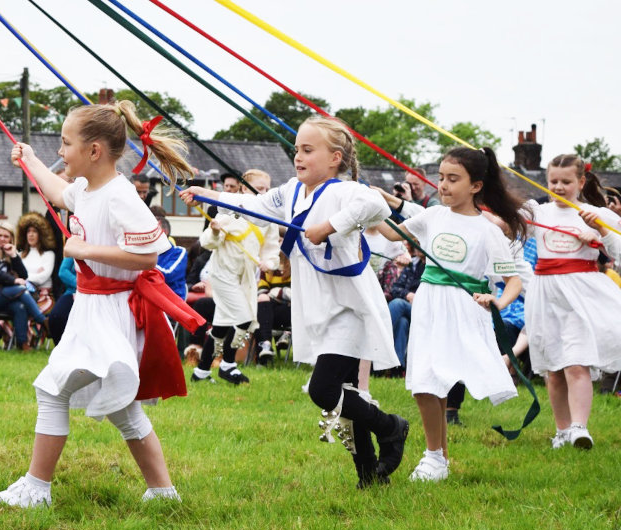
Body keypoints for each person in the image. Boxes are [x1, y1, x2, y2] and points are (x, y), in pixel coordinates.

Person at [0, 99, 202, 508]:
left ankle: (36, 490)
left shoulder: (121, 197)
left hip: (110, 312)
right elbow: (58, 191)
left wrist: (84, 249)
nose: (60, 152)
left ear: (94, 151)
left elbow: (150, 256)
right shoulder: (86, 189)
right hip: (91, 308)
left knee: (51, 388)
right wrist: (29, 160)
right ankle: (164, 493)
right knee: (123, 409)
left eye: (65, 144)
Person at [181, 115, 407, 490]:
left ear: (335, 158)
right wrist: (206, 195)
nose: (298, 157)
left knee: (323, 390)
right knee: (345, 391)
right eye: (296, 150)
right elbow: (249, 202)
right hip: (318, 306)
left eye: (307, 150)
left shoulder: (344, 191)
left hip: (349, 306)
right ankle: (369, 475)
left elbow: (376, 206)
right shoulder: (289, 192)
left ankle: (391, 427)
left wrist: (329, 226)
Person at [379, 147, 524, 481]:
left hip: (463, 309)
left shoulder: (488, 230)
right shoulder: (432, 216)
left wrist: (498, 302)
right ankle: (437, 458)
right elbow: (391, 232)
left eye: (452, 179)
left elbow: (512, 280)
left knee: (432, 381)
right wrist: (365, 207)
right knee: (427, 380)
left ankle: (434, 457)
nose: (442, 185)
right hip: (429, 304)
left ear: (475, 186)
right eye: (441, 177)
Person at [524, 155, 621, 450]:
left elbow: (618, 249)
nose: (559, 187)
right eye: (553, 181)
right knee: (553, 368)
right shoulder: (537, 212)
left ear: (580, 182)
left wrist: (601, 231)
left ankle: (580, 427)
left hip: (582, 295)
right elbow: (504, 222)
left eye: (566, 182)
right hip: (545, 295)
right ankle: (562, 430)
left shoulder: (597, 213)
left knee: (576, 363)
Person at [190, 168, 278, 385]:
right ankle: (228, 365)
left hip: (246, 278)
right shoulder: (229, 211)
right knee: (245, 319)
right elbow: (208, 242)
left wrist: (270, 263)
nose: (263, 193)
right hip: (222, 275)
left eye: (266, 189)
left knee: (221, 325)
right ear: (243, 189)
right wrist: (216, 230)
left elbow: (271, 249)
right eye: (258, 189)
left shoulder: (268, 219)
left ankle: (201, 372)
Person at [0, 221, 47, 351]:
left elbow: (23, 275)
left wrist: (14, 256)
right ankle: (43, 321)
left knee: (19, 306)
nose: (2, 239)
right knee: (21, 289)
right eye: (0, 235)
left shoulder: (8, 253)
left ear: (11, 239)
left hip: (4, 296)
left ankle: (23, 345)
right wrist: (13, 281)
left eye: (6, 236)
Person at [17, 212, 56, 315]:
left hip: (43, 295)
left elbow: (42, 278)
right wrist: (34, 275)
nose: (31, 234)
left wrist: (23, 278)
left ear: (41, 234)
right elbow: (14, 274)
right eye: (28, 231)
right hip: (22, 293)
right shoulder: (19, 255)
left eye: (34, 231)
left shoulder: (49, 255)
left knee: (31, 312)